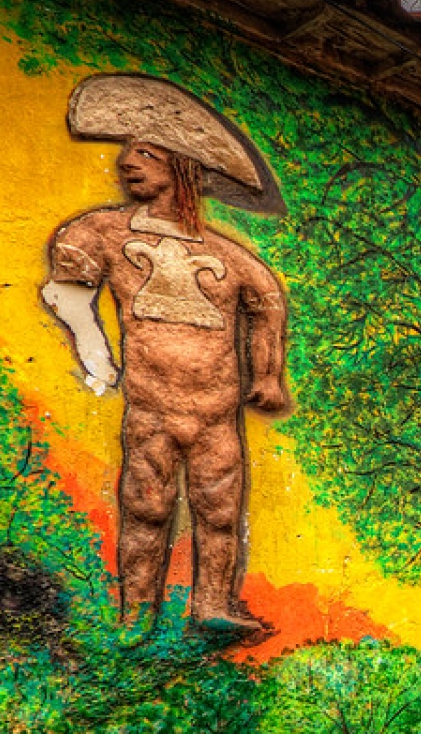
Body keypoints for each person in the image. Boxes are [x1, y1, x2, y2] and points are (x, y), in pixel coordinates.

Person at [42, 74, 290, 642]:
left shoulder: (228, 256)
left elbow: (268, 302)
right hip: (152, 406)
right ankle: (135, 616)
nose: (128, 161)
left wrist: (269, 376)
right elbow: (67, 289)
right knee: (147, 508)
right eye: (128, 150)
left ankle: (213, 604)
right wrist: (96, 358)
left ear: (181, 168)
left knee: (220, 511)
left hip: (217, 412)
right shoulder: (102, 230)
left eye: (147, 153)